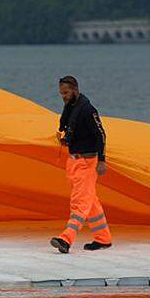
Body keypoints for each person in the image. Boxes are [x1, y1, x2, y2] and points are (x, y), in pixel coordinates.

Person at [51, 75, 112, 253]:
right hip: (74, 161)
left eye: (66, 92)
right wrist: (65, 140)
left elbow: (101, 135)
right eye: (61, 93)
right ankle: (103, 238)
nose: (63, 96)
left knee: (79, 203)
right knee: (90, 201)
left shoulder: (87, 110)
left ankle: (66, 239)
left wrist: (102, 160)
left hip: (87, 162)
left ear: (75, 89)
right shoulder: (70, 108)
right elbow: (74, 132)